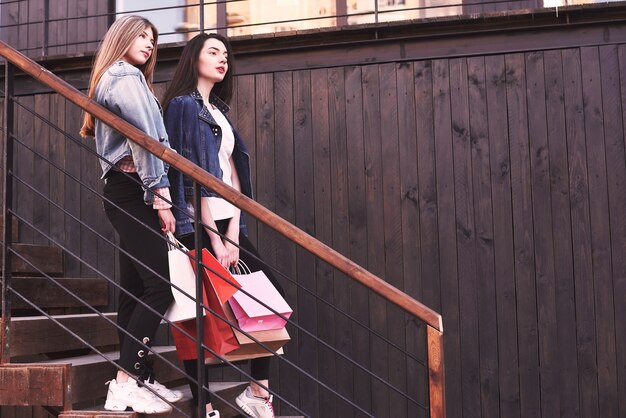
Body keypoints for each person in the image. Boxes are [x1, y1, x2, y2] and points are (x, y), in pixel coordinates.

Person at [162, 33, 283, 418]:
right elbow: (188, 174)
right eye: (213, 51)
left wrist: (233, 234)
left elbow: (232, 182)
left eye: (226, 55)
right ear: (192, 58)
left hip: (229, 224)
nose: (223, 59)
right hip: (195, 221)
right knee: (197, 315)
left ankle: (256, 391)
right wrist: (215, 237)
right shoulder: (182, 106)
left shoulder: (220, 112)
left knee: (268, 298)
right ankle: (205, 404)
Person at [80, 15, 183, 414]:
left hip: (128, 189)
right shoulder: (124, 75)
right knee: (162, 285)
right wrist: (161, 196)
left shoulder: (120, 76)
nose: (149, 43)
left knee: (137, 288)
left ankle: (140, 377)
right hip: (135, 189)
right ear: (121, 37)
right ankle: (125, 381)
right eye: (141, 35)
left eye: (152, 38)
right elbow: (146, 139)